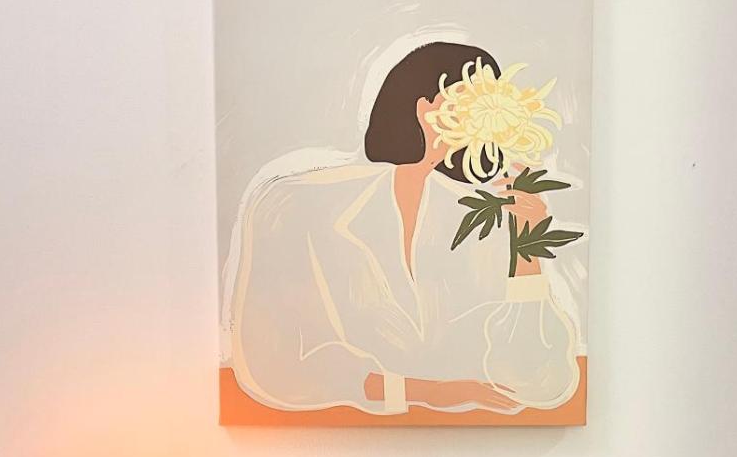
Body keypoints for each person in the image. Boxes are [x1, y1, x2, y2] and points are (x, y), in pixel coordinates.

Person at [229, 41, 583, 416]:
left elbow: (540, 379)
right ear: (423, 107)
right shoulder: (295, 203)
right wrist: (423, 392)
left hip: (463, 436)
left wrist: (527, 246)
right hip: (335, 434)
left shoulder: (481, 221)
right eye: (470, 101)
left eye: (493, 104)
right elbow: (275, 362)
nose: (484, 120)